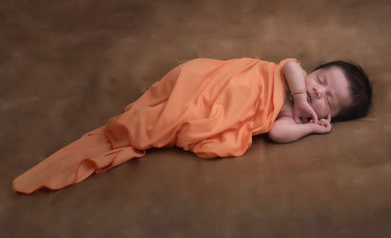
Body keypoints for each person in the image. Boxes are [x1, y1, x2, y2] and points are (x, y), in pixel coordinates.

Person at [12, 57, 372, 194]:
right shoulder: (293, 75)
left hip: (229, 109)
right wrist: (301, 95)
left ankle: (149, 125)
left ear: (329, 117)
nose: (317, 88)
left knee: (184, 127)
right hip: (208, 79)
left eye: (328, 98)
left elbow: (277, 134)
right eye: (322, 78)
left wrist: (308, 126)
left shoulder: (293, 117)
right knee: (180, 94)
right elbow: (293, 66)